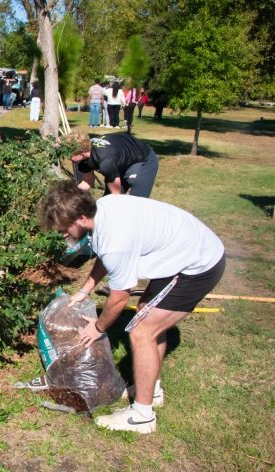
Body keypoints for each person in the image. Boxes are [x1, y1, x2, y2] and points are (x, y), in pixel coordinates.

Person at [39, 180, 225, 433]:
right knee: (146, 316)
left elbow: (118, 298)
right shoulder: (104, 207)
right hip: (187, 248)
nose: (63, 234)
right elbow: (106, 257)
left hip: (197, 265)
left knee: (141, 331)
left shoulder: (116, 239)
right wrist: (85, 290)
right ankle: (151, 390)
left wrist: (98, 327)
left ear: (81, 217)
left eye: (64, 228)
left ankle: (142, 416)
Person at [69, 131, 160, 197]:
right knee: (107, 202)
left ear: (81, 151)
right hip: (120, 161)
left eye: (70, 153)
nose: (67, 156)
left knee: (136, 203)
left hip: (143, 160)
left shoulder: (105, 161)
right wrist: (71, 194)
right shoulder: (83, 160)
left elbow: (116, 194)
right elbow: (88, 182)